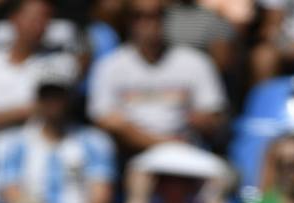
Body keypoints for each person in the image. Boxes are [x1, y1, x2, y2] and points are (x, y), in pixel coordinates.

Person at [0, 68, 115, 203]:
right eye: (47, 96)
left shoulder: (95, 141)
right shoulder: (12, 143)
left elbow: (100, 197)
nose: (53, 103)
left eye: (58, 96)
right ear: (37, 100)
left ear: (70, 99)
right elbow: (10, 194)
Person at [87, 0, 227, 154]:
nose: (150, 23)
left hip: (188, 153)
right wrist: (164, 144)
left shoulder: (196, 62)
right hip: (132, 155)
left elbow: (214, 116)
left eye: (157, 15)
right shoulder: (110, 66)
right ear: (127, 20)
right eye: (139, 16)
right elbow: (105, 120)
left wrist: (204, 122)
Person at [0, 0, 78, 131]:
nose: (39, 24)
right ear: (14, 19)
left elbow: (51, 108)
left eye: (45, 17)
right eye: (33, 18)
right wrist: (23, 112)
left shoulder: (62, 63)